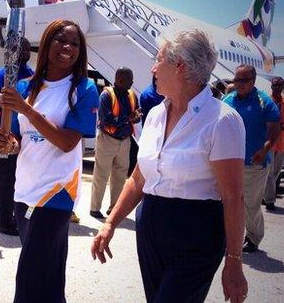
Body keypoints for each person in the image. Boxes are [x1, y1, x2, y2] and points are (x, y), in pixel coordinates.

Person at [92, 29, 248, 303]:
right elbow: (138, 179)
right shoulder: (154, 115)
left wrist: (234, 261)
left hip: (196, 232)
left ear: (180, 66)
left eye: (158, 59)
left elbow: (233, 198)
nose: (153, 67)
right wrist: (110, 223)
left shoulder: (222, 121)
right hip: (151, 224)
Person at [0, 20, 98, 302]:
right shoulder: (25, 87)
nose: (67, 47)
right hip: (25, 190)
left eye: (74, 43)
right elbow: (16, 140)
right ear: (47, 43)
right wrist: (7, 143)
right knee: (49, 278)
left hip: (57, 193)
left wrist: (26, 109)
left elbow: (67, 142)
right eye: (61, 40)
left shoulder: (84, 88)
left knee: (29, 279)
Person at [223, 65, 280, 253]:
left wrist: (264, 151)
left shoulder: (264, 102)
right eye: (236, 80)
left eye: (243, 80)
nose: (238, 84)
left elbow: (274, 131)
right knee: (228, 201)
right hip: (229, 162)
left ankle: (254, 237)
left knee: (251, 204)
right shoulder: (227, 100)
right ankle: (228, 236)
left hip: (254, 163)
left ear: (253, 81)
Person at [0, 37, 33, 236]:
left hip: (26, 137)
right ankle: (3, 219)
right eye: (20, 50)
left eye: (27, 49)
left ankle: (15, 215)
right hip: (8, 135)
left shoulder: (32, 75)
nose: (25, 53)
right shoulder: (3, 75)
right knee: (6, 178)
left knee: (20, 177)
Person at [90, 67, 141, 219]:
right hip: (107, 139)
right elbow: (106, 120)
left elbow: (135, 114)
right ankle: (94, 208)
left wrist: (136, 117)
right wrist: (128, 118)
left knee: (120, 176)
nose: (132, 82)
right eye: (129, 79)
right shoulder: (106, 95)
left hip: (125, 140)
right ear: (119, 80)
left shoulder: (132, 94)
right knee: (101, 174)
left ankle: (114, 208)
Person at [264, 77, 284, 211]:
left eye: (279, 85)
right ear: (271, 87)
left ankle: (266, 196)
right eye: (275, 85)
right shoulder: (266, 100)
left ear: (283, 87)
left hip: (282, 142)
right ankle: (270, 201)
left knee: (276, 173)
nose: (277, 88)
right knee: (269, 173)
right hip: (269, 142)